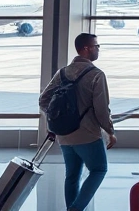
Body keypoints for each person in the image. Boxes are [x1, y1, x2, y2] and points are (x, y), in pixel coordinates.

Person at [39, 33, 116, 211]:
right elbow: (102, 108)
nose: (98, 49)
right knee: (99, 170)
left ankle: (71, 207)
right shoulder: (96, 74)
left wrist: (56, 120)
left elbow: (43, 100)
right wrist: (110, 131)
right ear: (86, 48)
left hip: (64, 134)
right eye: (96, 46)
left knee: (72, 176)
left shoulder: (63, 72)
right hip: (87, 134)